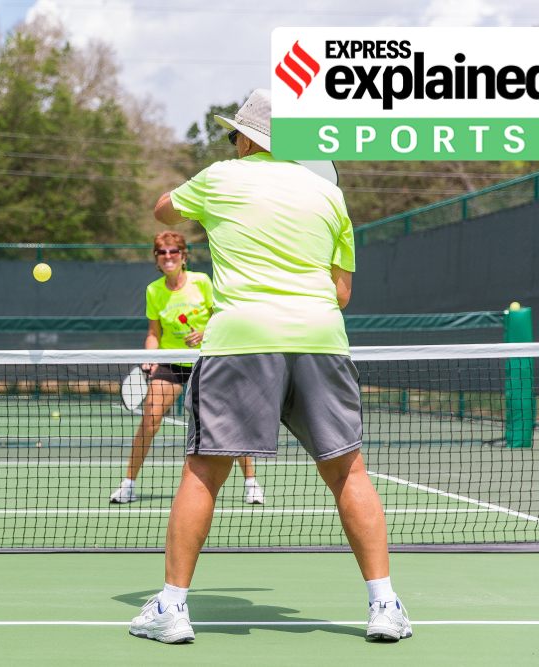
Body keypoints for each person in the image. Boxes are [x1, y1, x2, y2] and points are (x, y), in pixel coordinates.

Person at [129, 89, 411, 645]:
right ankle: (384, 605)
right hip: (320, 339)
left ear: (248, 139)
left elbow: (163, 210)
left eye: (235, 133)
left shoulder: (220, 177)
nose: (232, 141)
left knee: (204, 472)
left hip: (242, 341)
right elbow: (342, 293)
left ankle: (172, 607)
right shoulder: (330, 196)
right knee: (348, 472)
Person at [109, 231, 264, 506]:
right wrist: (149, 356)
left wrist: (204, 333)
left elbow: (223, 316)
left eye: (173, 251)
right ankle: (128, 484)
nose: (168, 256)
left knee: (230, 419)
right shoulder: (154, 290)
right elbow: (154, 333)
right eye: (162, 252)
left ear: (183, 256)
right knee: (150, 417)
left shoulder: (201, 282)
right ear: (156, 258)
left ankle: (251, 483)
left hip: (207, 359)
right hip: (171, 361)